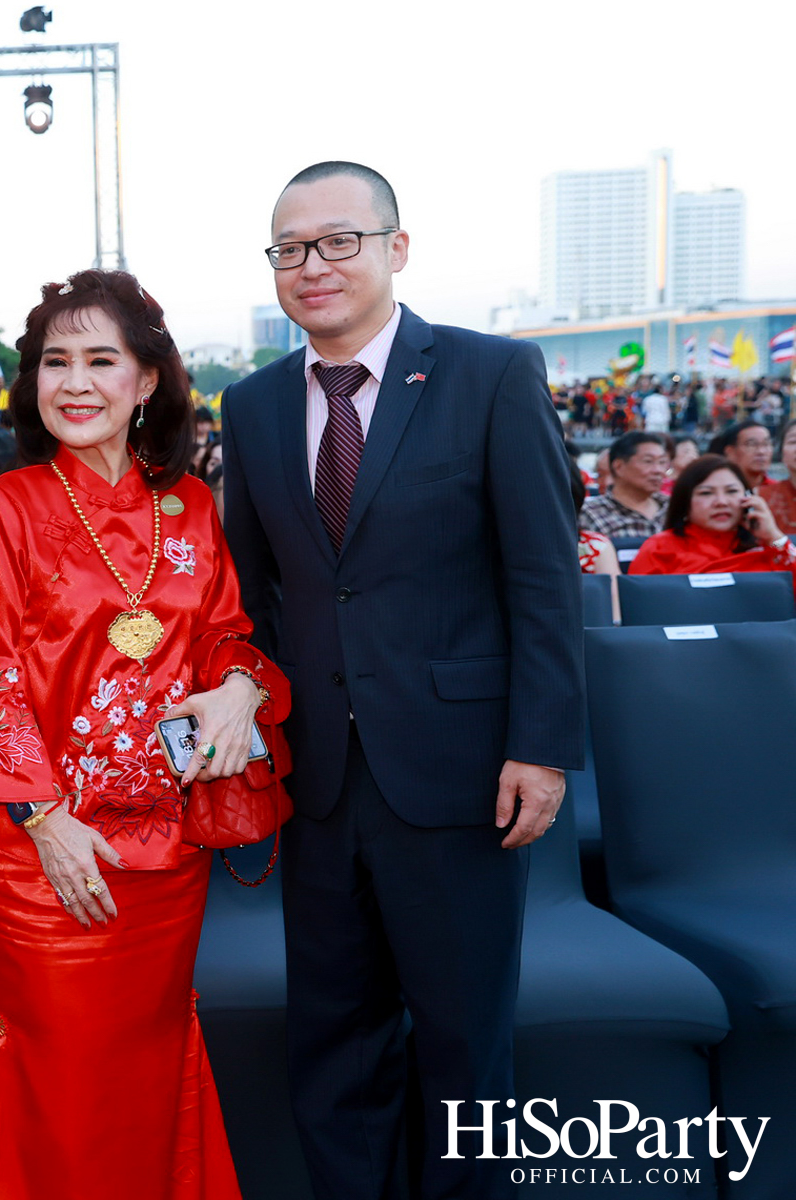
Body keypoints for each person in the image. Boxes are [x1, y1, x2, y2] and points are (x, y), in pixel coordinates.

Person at [221, 162, 582, 1200]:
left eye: (337, 241)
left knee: (467, 1046)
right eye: (290, 249)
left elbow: (543, 580)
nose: (312, 266)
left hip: (462, 775)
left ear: (397, 247)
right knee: (334, 1047)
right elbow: (259, 600)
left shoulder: (490, 375)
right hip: (320, 785)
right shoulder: (250, 408)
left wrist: (542, 746)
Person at [0, 269, 283, 1200]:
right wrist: (48, 821)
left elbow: (225, 636)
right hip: (43, 851)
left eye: (103, 359)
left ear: (147, 383)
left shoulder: (191, 508)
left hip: (169, 850)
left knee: (155, 1051)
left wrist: (241, 690)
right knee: (62, 1069)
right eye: (56, 361)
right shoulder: (9, 506)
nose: (76, 381)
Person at [630, 456, 795, 589]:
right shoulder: (659, 549)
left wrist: (774, 536)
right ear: (685, 501)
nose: (721, 502)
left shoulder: (771, 548)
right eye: (706, 493)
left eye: (731, 491)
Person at [579, 431, 669, 540]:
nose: (658, 470)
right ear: (619, 466)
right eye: (648, 461)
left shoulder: (674, 508)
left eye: (662, 462)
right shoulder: (590, 515)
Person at [710, 420, 773, 491]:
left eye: (766, 444)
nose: (761, 451)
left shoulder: (778, 491)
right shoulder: (716, 491)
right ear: (730, 452)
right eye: (751, 444)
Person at [758, 419, 796, 534]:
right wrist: (780, 542)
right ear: (782, 453)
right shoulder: (763, 498)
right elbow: (768, 545)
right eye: (793, 441)